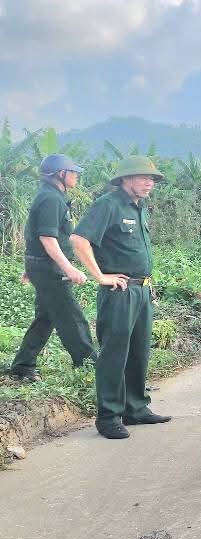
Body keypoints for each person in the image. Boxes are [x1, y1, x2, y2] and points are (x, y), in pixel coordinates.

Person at [70, 156, 172, 439]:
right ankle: (108, 416)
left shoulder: (139, 207)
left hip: (141, 290)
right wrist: (100, 276)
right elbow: (79, 240)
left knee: (139, 351)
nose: (149, 182)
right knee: (115, 354)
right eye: (143, 177)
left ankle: (135, 408)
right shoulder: (109, 204)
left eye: (152, 178)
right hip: (119, 292)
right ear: (125, 179)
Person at [9, 154, 96, 383]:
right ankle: (91, 367)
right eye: (73, 171)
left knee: (46, 318)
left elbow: (35, 234)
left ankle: (22, 366)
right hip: (49, 267)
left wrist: (33, 265)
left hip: (43, 265)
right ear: (61, 173)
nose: (76, 175)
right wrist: (68, 269)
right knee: (71, 316)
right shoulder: (50, 198)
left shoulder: (52, 196)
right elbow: (47, 238)